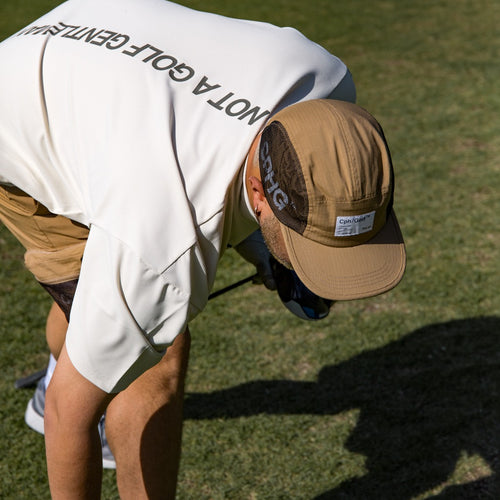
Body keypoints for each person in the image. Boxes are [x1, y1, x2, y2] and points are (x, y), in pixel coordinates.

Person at [0, 0, 406, 497]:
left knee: (109, 310)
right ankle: (62, 374)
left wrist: (269, 247)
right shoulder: (163, 240)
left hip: (88, 32)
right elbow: (71, 416)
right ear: (259, 196)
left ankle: (89, 345)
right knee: (158, 355)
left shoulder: (330, 90)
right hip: (21, 106)